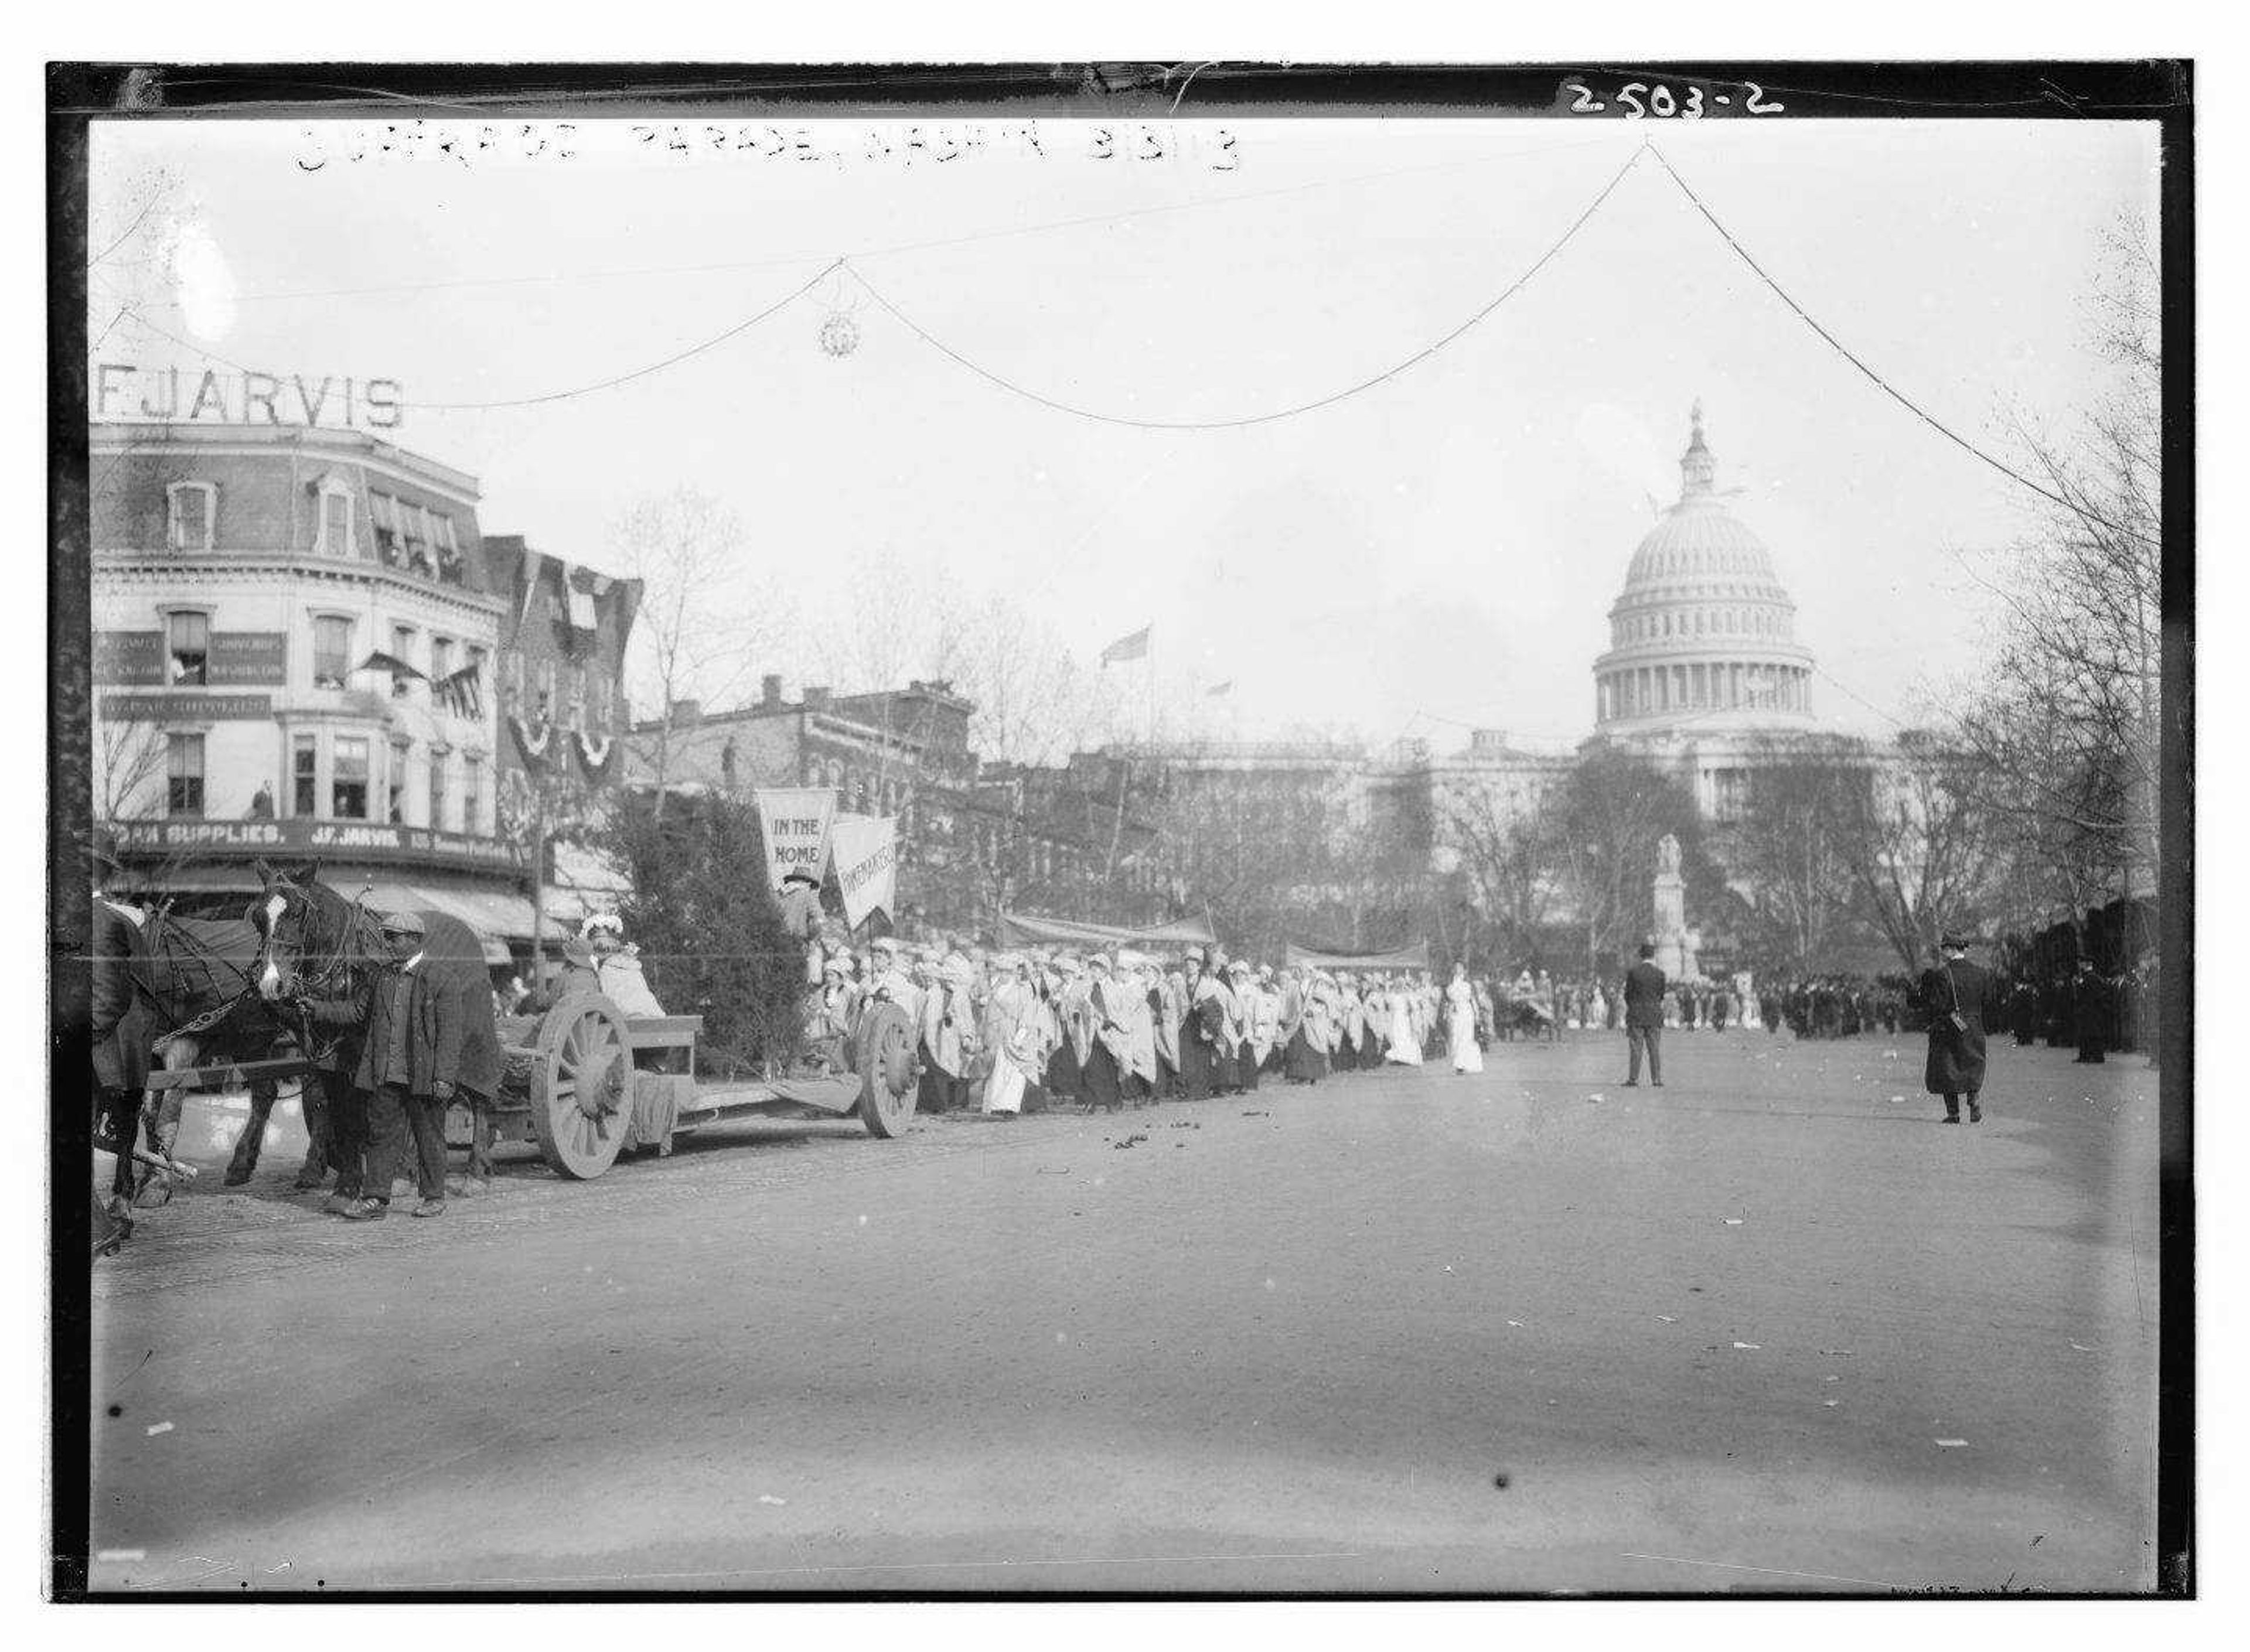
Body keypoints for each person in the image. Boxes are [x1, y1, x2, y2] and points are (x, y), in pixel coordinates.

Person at [298, 910, 485, 1220]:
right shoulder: (381, 977)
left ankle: (433, 1196)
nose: (386, 943)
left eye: (392, 938)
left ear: (413, 940)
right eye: (386, 936)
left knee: (429, 1137)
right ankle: (375, 1199)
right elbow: (357, 1013)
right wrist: (316, 1008)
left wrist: (444, 1078)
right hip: (385, 1075)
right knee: (381, 1137)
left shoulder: (442, 980)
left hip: (425, 1077)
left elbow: (450, 1036)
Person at [1921, 933, 1996, 1122]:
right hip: (1974, 1025)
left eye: (1944, 948)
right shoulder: (1981, 973)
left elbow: (1938, 1004)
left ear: (1951, 949)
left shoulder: (1942, 974)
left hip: (1949, 1025)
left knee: (1948, 1067)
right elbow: (1988, 1001)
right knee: (1972, 1063)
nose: (1943, 952)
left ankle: (1953, 1114)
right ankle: (1974, 1101)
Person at [1621, 941, 1666, 1088]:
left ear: (1641, 955)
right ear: (1653, 956)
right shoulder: (1660, 974)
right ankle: (1657, 1079)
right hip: (1654, 1014)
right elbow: (1661, 995)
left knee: (1636, 1047)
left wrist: (1634, 1006)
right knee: (1654, 1048)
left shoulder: (1633, 973)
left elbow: (1627, 995)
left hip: (1636, 1014)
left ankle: (1633, 1079)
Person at [775, 868, 824, 986]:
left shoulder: (777, 894)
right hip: (798, 943)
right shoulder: (808, 895)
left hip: (775, 942)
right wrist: (814, 939)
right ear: (807, 882)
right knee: (800, 981)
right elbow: (819, 920)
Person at [1446, 964, 1484, 1074]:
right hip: (1456, 1013)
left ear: (1464, 970)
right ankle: (1458, 1063)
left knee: (1466, 1037)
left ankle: (1463, 1064)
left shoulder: (1469, 984)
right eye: (1456, 967)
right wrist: (1448, 1015)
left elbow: (1474, 1000)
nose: (1458, 969)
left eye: (1460, 967)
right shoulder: (1450, 984)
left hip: (1467, 1012)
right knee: (1456, 1037)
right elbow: (1450, 1002)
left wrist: (1477, 1015)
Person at [2072, 960, 2109, 1064]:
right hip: (2090, 1010)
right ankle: (2087, 1056)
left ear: (2086, 965)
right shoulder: (2090, 977)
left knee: (2092, 1034)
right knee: (2087, 1034)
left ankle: (2095, 1056)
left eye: (2081, 964)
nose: (2079, 966)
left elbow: (2088, 995)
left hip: (2091, 1011)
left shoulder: (2090, 978)